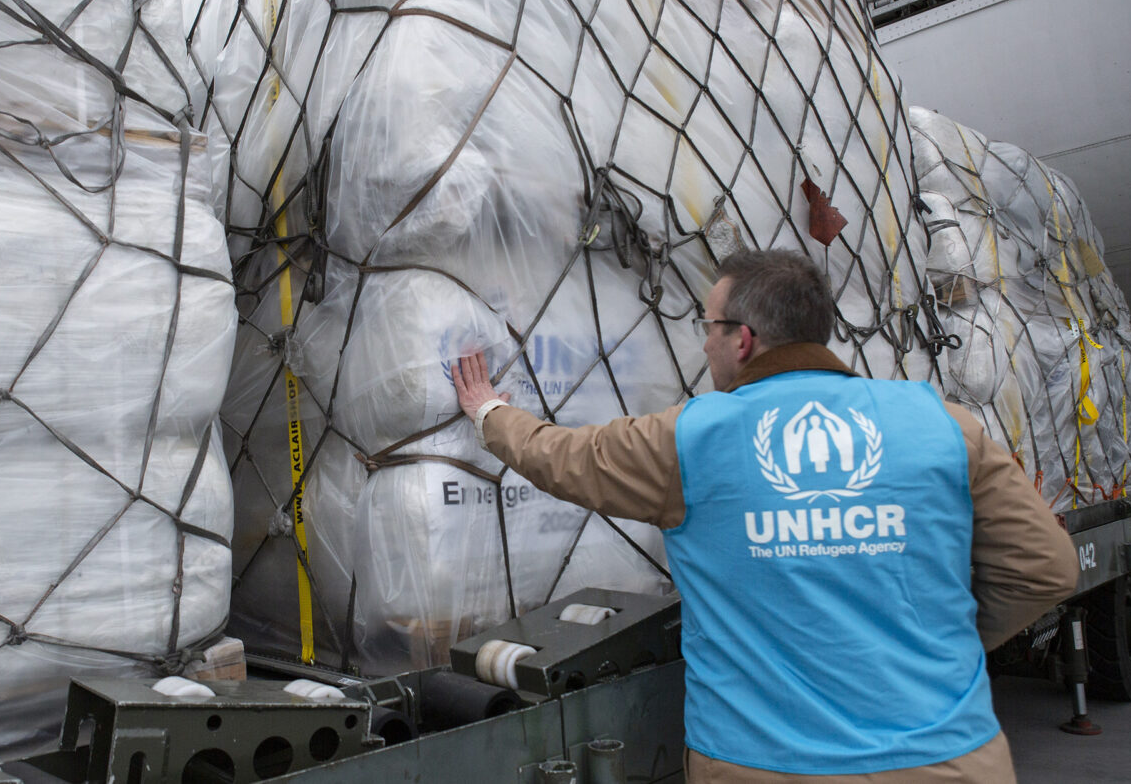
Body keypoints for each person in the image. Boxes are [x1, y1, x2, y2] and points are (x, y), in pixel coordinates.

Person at [451, 249, 1078, 782]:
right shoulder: (943, 423)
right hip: (949, 758)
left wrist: (488, 412)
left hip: (763, 762)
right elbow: (1046, 569)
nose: (704, 341)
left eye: (709, 326)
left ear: (742, 339)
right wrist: (937, 644)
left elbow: (562, 457)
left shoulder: (692, 439)